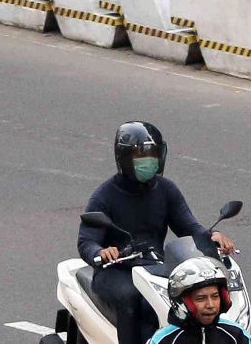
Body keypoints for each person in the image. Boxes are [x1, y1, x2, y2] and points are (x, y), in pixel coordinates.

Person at [77, 121, 237, 344]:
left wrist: (214, 236)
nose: (148, 160)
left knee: (183, 298)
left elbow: (189, 227)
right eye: (140, 155)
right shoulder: (104, 196)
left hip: (154, 267)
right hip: (116, 272)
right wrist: (102, 252)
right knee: (132, 299)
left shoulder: (166, 189)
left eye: (153, 154)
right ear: (123, 157)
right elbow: (87, 242)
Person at [148, 257, 251, 343]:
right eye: (200, 299)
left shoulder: (236, 334)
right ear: (182, 303)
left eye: (215, 296)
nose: (210, 305)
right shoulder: (163, 340)